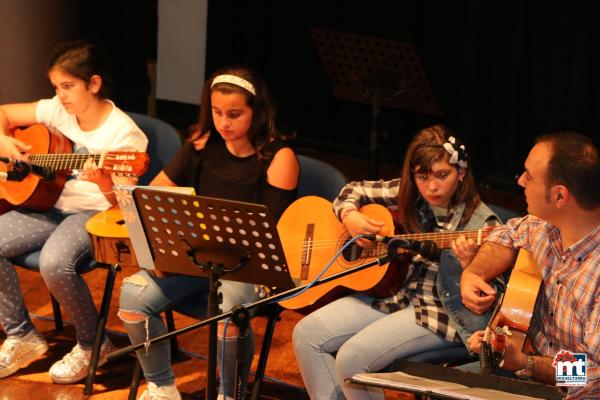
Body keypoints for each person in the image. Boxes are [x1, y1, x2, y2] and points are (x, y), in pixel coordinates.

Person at [117, 66, 299, 400]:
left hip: (248, 268)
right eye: (216, 113)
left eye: (234, 114)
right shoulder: (201, 145)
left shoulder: (279, 157)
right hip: (198, 259)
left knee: (229, 309)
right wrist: (160, 250)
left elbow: (274, 235)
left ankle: (231, 395)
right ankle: (162, 386)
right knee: (132, 297)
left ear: (257, 113)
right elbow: (154, 197)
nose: (224, 123)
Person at [292, 125, 501, 400]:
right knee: (307, 334)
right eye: (422, 177)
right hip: (396, 296)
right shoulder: (409, 192)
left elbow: (494, 297)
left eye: (442, 175)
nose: (432, 186)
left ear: (461, 173)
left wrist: (471, 267)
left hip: (440, 312)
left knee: (352, 358)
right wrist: (349, 216)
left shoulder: (483, 225)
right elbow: (351, 191)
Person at [0, 40, 148, 383]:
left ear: (93, 84)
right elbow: (4, 113)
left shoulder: (124, 135)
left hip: (92, 215)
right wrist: (4, 140)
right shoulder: (56, 110)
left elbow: (122, 207)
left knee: (54, 262)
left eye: (68, 87)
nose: (61, 96)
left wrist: (104, 184)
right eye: (56, 87)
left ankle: (92, 343)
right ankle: (21, 335)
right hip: (46, 206)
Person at [460, 132, 599, 399]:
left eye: (529, 176)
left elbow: (593, 374)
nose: (520, 181)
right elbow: (506, 234)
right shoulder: (543, 225)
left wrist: (525, 363)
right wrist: (473, 273)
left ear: (560, 196)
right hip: (527, 369)